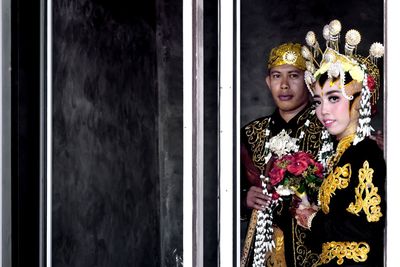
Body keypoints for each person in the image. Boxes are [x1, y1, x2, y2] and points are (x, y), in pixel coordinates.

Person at [295, 20, 386, 266]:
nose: (323, 110)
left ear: (359, 101)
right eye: (317, 101)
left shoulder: (366, 152)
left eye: (334, 98)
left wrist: (314, 219)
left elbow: (368, 225)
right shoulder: (340, 154)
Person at [240, 42, 325, 267]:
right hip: (263, 250)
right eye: (277, 76)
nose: (284, 85)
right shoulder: (251, 133)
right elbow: (224, 190)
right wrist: (244, 199)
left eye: (294, 75)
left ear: (308, 81)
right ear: (268, 82)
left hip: (313, 251)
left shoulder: (329, 128)